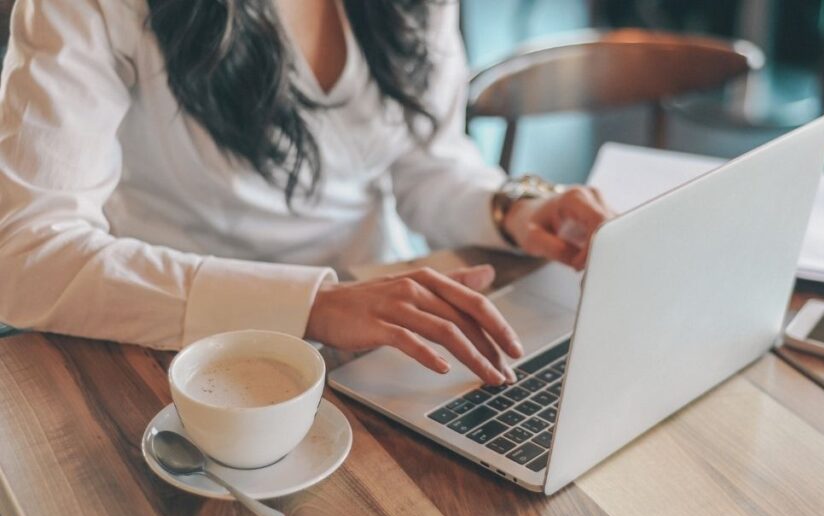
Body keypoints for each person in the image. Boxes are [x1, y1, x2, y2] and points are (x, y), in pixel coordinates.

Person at [0, 0, 614, 385]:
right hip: (178, 345)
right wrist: (313, 306)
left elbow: (426, 163)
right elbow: (27, 256)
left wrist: (513, 206)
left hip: (385, 324)